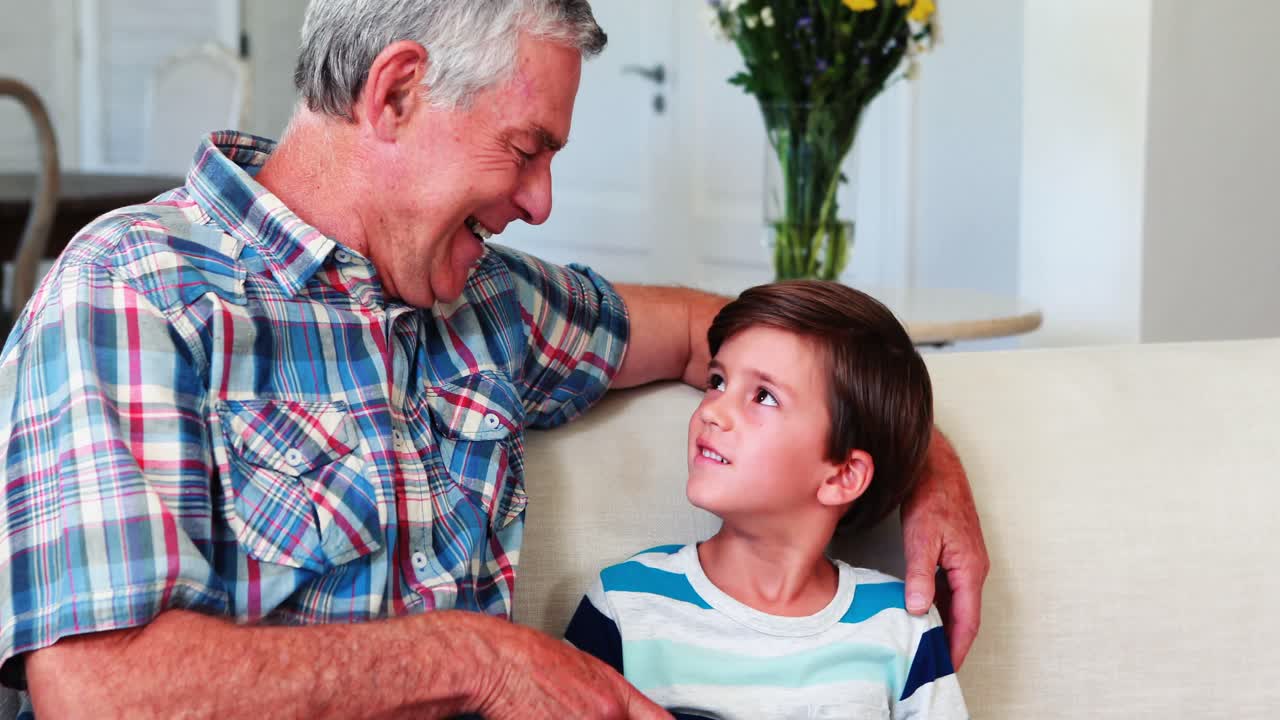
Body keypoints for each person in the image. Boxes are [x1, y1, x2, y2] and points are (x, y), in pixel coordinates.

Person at [0, 1, 987, 718]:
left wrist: (915, 458)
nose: (542, 201)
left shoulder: (489, 305)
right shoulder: (136, 292)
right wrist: (476, 660)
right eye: (526, 148)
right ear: (396, 92)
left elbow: (724, 336)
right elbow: (100, 689)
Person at [566, 281, 967, 719]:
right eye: (717, 381)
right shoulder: (626, 603)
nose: (711, 411)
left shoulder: (902, 628)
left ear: (842, 476)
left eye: (764, 396)